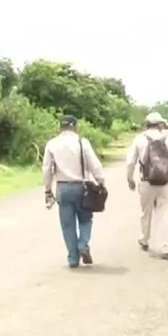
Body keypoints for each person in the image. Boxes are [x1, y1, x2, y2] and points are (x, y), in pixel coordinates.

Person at [42, 115, 107, 268]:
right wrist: (101, 181)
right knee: (85, 219)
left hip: (62, 188)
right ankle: (83, 244)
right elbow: (94, 165)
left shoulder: (52, 144)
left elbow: (47, 169)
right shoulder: (82, 142)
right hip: (82, 188)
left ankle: (72, 258)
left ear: (60, 127)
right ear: (75, 127)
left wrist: (47, 190)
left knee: (67, 225)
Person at [125, 112, 168, 259]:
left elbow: (130, 162)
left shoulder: (139, 139)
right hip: (164, 182)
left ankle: (144, 240)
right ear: (159, 124)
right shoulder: (167, 140)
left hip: (146, 181)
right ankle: (165, 248)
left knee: (145, 212)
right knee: (163, 212)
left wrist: (130, 179)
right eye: (162, 124)